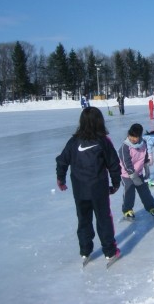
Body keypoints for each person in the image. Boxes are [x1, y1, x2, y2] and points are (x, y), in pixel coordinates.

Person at [55, 107, 121, 262]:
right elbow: (113, 163)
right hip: (98, 189)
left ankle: (85, 250)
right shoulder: (103, 141)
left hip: (80, 189)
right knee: (103, 218)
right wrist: (116, 182)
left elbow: (62, 160)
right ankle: (110, 252)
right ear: (100, 122)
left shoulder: (73, 142)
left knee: (83, 219)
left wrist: (61, 178)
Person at [118, 123, 154, 219]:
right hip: (126, 174)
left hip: (139, 172)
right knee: (129, 191)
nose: (132, 139)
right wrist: (132, 175)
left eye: (135, 137)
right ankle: (127, 209)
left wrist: (146, 167)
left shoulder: (143, 143)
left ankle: (151, 207)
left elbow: (145, 156)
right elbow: (126, 162)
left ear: (139, 136)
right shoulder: (125, 147)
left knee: (144, 191)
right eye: (131, 136)